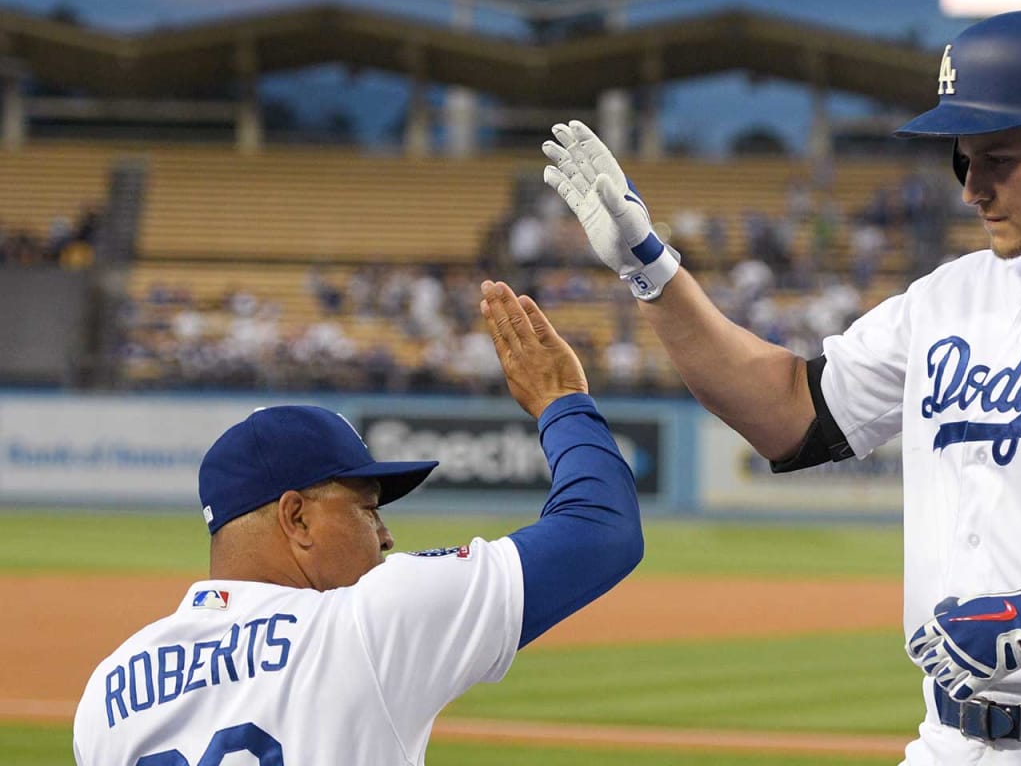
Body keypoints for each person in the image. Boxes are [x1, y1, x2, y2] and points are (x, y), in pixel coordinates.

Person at [542, 9, 1021, 766]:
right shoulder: (951, 297)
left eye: (999, 157)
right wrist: (651, 268)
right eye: (963, 158)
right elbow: (784, 411)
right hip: (943, 742)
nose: (972, 187)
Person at [73, 281, 642, 765]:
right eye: (367, 508)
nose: (387, 535)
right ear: (296, 517)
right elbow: (601, 529)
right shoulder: (365, 624)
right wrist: (561, 400)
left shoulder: (107, 692)